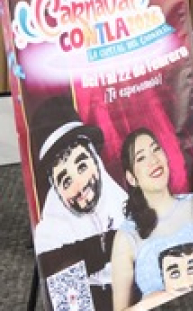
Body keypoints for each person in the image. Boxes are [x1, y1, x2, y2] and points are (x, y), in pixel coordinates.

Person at [110, 128, 193, 310]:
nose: (153, 160)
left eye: (156, 149)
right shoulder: (126, 236)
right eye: (141, 158)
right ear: (131, 178)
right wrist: (160, 298)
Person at [32, 98, 128, 310]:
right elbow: (71, 305)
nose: (80, 185)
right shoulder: (51, 235)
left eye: (82, 166)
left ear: (95, 160)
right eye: (66, 181)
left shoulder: (122, 201)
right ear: (56, 190)